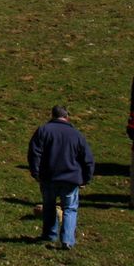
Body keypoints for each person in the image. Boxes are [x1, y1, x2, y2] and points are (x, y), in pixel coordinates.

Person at [27, 105, 96, 249]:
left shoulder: (43, 130)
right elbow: (88, 159)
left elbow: (34, 153)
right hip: (71, 178)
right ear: (67, 117)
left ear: (52, 115)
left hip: (48, 177)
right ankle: (67, 240)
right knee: (70, 209)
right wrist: (86, 178)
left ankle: (50, 234)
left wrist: (35, 172)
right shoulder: (76, 134)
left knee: (49, 206)